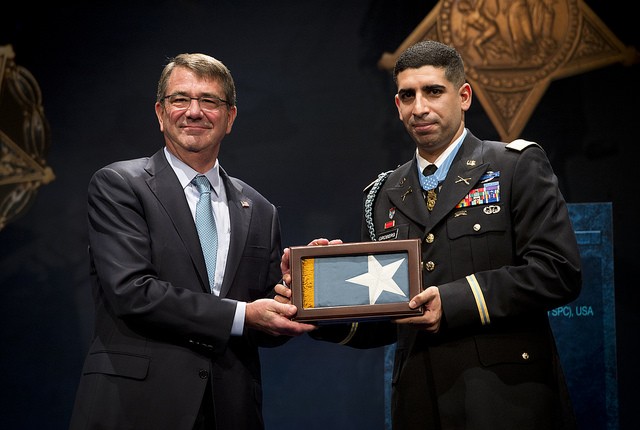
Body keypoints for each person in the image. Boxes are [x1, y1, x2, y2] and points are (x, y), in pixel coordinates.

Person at [277, 40, 581, 429]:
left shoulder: (514, 166)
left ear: (464, 95)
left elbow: (559, 270)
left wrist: (453, 302)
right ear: (397, 105)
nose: (419, 107)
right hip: (419, 401)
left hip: (507, 399)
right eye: (408, 95)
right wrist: (320, 298)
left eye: (433, 91)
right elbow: (386, 314)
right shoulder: (382, 194)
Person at [69, 53, 315, 430]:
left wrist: (295, 291)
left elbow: (265, 328)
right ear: (160, 112)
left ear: (230, 117)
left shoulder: (260, 209)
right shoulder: (119, 185)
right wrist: (244, 314)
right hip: (136, 407)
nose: (194, 112)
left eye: (209, 101)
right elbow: (132, 292)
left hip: (230, 409)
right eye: (180, 99)